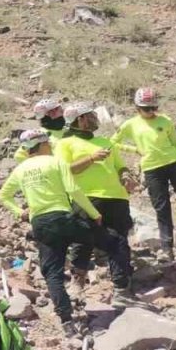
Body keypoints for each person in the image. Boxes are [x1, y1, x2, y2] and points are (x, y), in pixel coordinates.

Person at [0, 129, 119, 329]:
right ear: (43, 144)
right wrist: (94, 213)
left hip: (41, 223)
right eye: (48, 142)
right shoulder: (56, 162)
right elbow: (73, 190)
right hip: (63, 217)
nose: (51, 145)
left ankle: (66, 320)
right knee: (92, 237)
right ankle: (80, 272)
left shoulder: (21, 169)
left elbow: (3, 195)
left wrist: (19, 212)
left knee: (52, 273)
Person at [54, 103, 135, 294]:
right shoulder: (65, 144)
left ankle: (121, 284)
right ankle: (77, 280)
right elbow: (64, 171)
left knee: (120, 239)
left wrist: (125, 176)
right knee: (83, 238)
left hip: (117, 197)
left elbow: (120, 166)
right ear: (80, 119)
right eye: (90, 115)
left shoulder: (106, 142)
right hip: (87, 197)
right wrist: (91, 158)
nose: (95, 118)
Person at [112, 87, 176, 261]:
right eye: (146, 109)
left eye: (153, 108)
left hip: (175, 164)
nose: (151, 112)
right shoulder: (130, 124)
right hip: (152, 169)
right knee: (162, 209)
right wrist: (134, 149)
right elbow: (113, 143)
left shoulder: (166, 121)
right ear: (137, 108)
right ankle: (167, 249)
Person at [13, 97, 65, 162]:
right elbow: (19, 156)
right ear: (51, 114)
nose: (63, 114)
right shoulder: (37, 135)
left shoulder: (68, 130)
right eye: (60, 111)